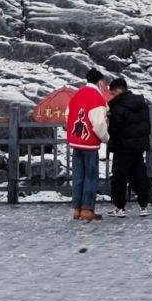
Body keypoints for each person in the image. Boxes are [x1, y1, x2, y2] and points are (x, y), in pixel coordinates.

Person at [64, 69, 110, 222]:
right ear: (100, 82)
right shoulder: (96, 96)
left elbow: (67, 114)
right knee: (90, 176)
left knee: (78, 176)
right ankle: (87, 209)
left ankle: (76, 209)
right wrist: (105, 137)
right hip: (90, 143)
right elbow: (98, 122)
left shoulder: (77, 94)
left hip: (76, 142)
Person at [105, 75, 152, 217]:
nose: (112, 96)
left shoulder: (118, 106)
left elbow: (115, 129)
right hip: (138, 147)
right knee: (139, 176)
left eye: (113, 93)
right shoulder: (141, 103)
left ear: (119, 90)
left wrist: (109, 120)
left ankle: (120, 208)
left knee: (120, 178)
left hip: (122, 147)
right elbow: (146, 125)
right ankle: (143, 206)